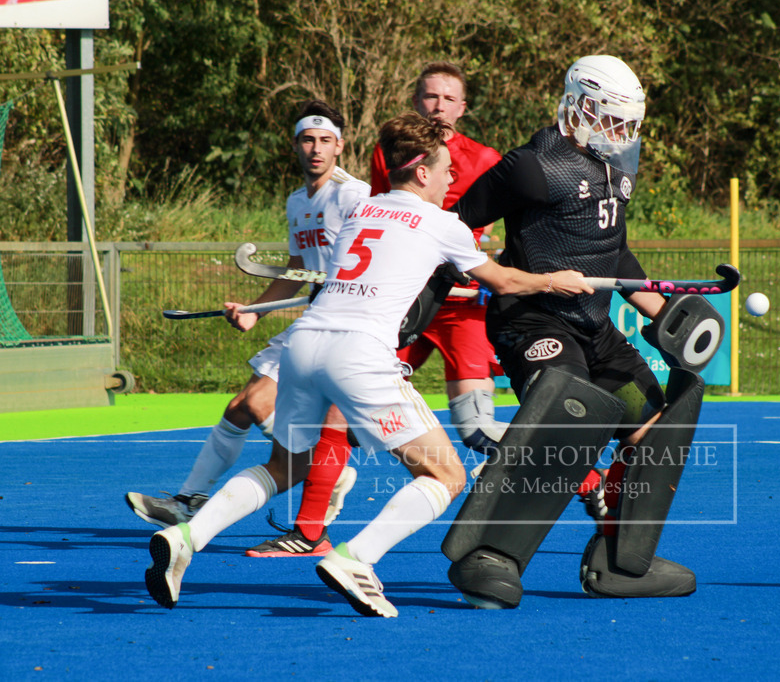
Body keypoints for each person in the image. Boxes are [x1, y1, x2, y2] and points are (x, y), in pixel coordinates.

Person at [142, 111, 592, 617]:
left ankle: (186, 536)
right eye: (446, 170)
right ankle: (358, 559)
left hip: (305, 345)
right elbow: (505, 282)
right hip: (359, 353)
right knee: (445, 475)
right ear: (422, 172)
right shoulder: (442, 223)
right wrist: (557, 280)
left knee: (285, 465)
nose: (451, 180)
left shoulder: (362, 212)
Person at [442, 55, 725, 609]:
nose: (624, 132)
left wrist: (658, 311)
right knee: (567, 409)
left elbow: (612, 251)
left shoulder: (616, 168)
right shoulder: (532, 164)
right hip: (532, 319)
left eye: (629, 122)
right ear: (579, 105)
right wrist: (452, 274)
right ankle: (488, 555)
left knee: (656, 431)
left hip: (595, 325)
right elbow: (455, 223)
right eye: (613, 118)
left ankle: (618, 561)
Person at [126, 100, 367, 557]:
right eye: (307, 140)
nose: (315, 149)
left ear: (340, 145)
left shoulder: (354, 196)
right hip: (311, 320)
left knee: (256, 402)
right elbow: (297, 270)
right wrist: (257, 310)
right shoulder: (298, 200)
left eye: (325, 141)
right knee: (239, 407)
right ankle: (188, 501)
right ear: (295, 145)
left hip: (341, 327)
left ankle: (320, 469)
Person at [369, 62, 507, 454]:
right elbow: (378, 218)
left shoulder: (486, 160)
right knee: (348, 414)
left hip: (461, 306)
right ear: (416, 101)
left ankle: (587, 480)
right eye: (431, 96)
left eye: (449, 99)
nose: (439, 107)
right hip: (403, 302)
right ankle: (317, 509)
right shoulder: (388, 155)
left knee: (477, 431)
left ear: (462, 108)